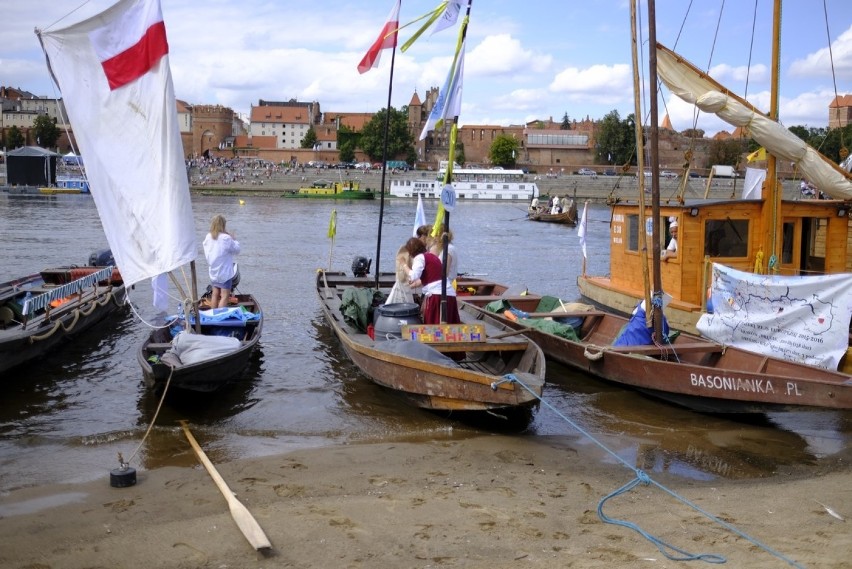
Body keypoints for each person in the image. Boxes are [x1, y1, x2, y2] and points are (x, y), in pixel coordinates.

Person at [406, 237, 460, 325]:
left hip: (437, 296)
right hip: (449, 294)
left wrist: (404, 266)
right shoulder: (432, 257)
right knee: (449, 325)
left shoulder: (420, 258)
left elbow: (413, 276)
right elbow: (431, 276)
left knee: (433, 325)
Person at [203, 214, 241, 308]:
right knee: (224, 296)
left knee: (215, 294)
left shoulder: (208, 237)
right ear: (223, 225)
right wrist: (234, 239)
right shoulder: (226, 238)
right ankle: (219, 316)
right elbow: (237, 250)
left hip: (213, 270)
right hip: (224, 271)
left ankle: (213, 314)